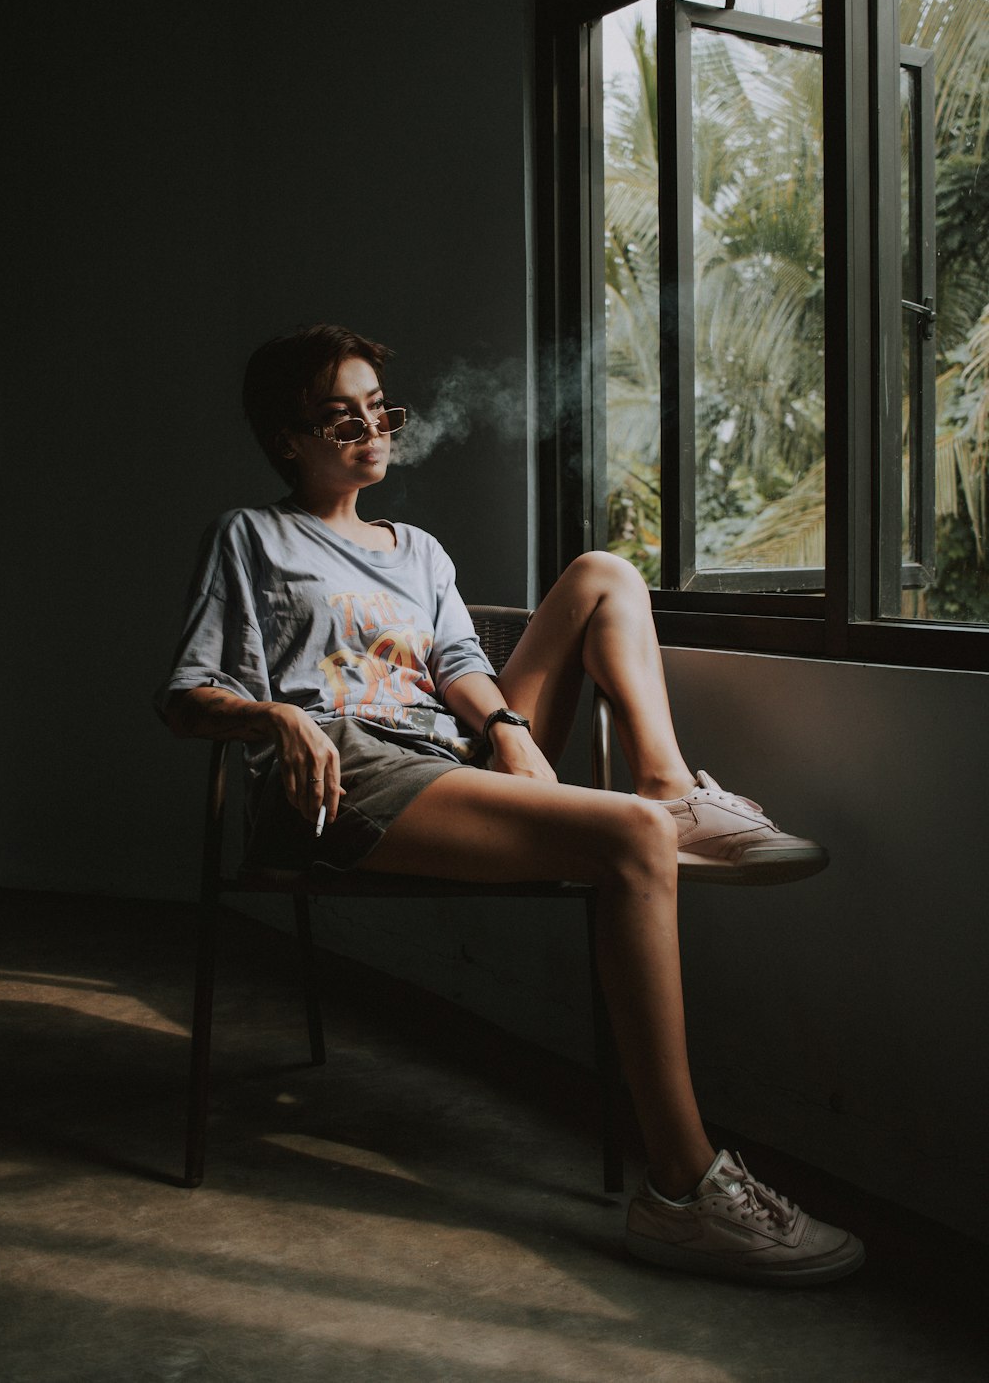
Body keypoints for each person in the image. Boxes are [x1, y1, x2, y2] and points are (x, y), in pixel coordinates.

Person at [156, 322, 864, 1287]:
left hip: (448, 748)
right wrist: (276, 715)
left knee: (605, 575)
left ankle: (668, 783)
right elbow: (184, 692)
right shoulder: (252, 536)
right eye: (339, 416)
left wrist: (512, 732)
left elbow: (459, 666)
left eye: (380, 409)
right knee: (628, 841)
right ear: (288, 440)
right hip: (345, 775)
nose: (371, 428)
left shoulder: (421, 552)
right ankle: (684, 1188)